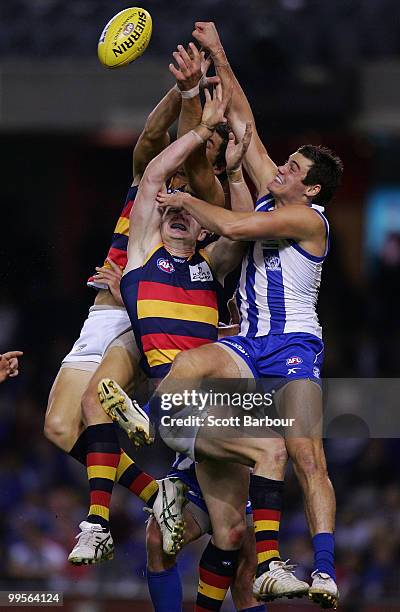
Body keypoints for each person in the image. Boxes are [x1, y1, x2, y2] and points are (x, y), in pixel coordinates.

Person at [106, 24, 343, 609]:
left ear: (310, 189)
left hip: (293, 347)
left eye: (292, 167)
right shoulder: (272, 193)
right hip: (248, 343)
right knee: (188, 367)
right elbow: (245, 122)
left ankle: (325, 569)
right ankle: (152, 429)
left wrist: (185, 200)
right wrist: (217, 51)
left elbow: (234, 227)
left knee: (305, 457)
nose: (280, 167)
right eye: (283, 163)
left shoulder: (309, 221)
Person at [43, 52, 224, 566]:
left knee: (94, 405)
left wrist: (194, 100)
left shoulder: (205, 196)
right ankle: (158, 496)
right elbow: (152, 138)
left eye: (209, 140)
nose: (197, 142)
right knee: (59, 427)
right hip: (104, 310)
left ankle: (97, 523)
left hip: (146, 310)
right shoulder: (152, 179)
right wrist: (182, 91)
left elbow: (191, 132)